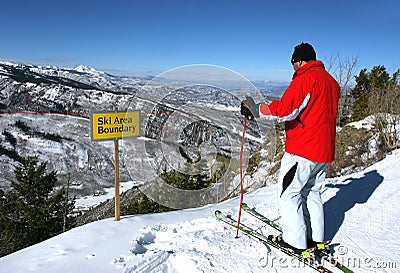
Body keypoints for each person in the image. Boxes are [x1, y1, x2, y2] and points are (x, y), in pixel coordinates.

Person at [240, 42, 340, 253]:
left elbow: (285, 110)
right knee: (312, 193)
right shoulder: (331, 82)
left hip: (303, 150)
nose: (293, 68)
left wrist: (256, 109)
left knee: (289, 194)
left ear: (299, 61)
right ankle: (316, 238)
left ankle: (295, 241)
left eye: (293, 63)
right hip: (323, 150)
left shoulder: (305, 79)